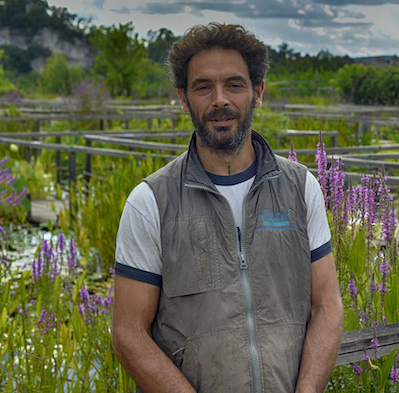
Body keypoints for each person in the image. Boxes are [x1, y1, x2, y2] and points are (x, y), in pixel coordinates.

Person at [112, 23, 343, 393]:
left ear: (258, 92)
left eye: (234, 85)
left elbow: (327, 306)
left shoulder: (301, 189)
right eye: (203, 87)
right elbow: (128, 333)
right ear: (184, 98)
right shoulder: (150, 202)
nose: (220, 100)